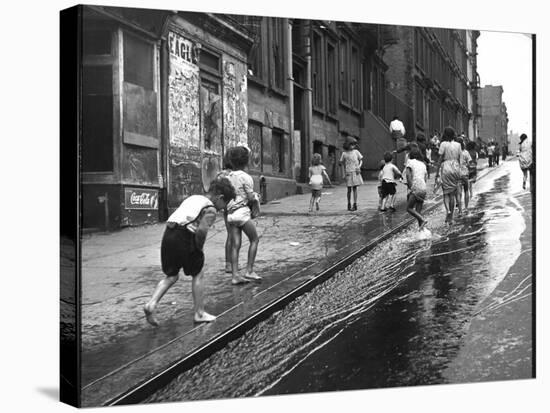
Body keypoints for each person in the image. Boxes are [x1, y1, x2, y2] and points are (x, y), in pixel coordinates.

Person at [143, 178, 236, 326]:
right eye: (224, 205)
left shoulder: (194, 198)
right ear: (220, 198)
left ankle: (151, 304)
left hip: (169, 233)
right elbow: (201, 231)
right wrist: (198, 250)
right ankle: (199, 313)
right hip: (184, 236)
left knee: (172, 275)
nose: (223, 209)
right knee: (198, 273)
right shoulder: (210, 209)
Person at [226, 146, 261, 284]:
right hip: (242, 213)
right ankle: (250, 271)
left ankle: (235, 276)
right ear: (247, 162)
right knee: (254, 239)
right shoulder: (246, 177)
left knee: (235, 245)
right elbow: (251, 197)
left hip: (230, 214)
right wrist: (256, 197)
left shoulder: (227, 177)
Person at [434, 126, 463, 224]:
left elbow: (440, 159)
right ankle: (450, 217)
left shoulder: (443, 144)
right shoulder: (458, 145)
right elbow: (460, 159)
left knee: (446, 193)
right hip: (455, 167)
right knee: (453, 193)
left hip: (446, 167)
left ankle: (448, 212)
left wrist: (437, 173)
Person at [404, 148, 428, 230]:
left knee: (409, 208)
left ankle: (422, 219)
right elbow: (425, 178)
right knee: (418, 212)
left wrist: (411, 187)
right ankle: (422, 231)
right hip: (423, 187)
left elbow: (407, 175)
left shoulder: (410, 162)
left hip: (416, 186)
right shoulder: (423, 164)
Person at [340, 138, 364, 211]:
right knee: (349, 189)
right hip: (348, 172)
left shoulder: (356, 152)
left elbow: (361, 160)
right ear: (348, 145)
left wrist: (359, 166)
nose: (353, 146)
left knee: (355, 188)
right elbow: (341, 163)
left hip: (355, 172)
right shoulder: (344, 153)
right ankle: (348, 203)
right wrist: (343, 173)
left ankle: (355, 203)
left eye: (354, 144)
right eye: (351, 144)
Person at [456, 136, 472, 212]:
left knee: (458, 193)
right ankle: (466, 208)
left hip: (457, 174)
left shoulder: (455, 152)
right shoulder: (466, 152)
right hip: (465, 174)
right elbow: (469, 163)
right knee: (466, 190)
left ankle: (460, 210)